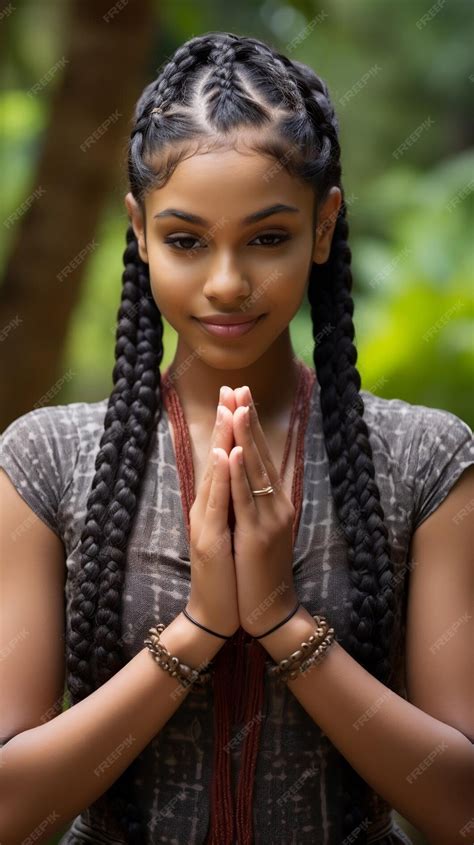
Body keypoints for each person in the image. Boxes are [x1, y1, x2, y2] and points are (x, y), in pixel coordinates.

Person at [0, 30, 472, 845]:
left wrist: (285, 622)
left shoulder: (426, 459)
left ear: (323, 228)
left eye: (267, 237)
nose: (226, 281)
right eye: (186, 240)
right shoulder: (45, 460)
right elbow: (11, 809)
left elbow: (461, 806)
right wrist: (200, 626)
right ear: (139, 232)